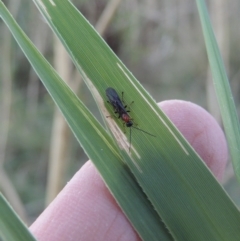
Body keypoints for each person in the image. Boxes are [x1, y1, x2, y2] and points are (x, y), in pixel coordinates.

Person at [30, 100, 228, 241]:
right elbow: (119, 110)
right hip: (117, 102)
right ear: (127, 120)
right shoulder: (124, 116)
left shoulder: (126, 118)